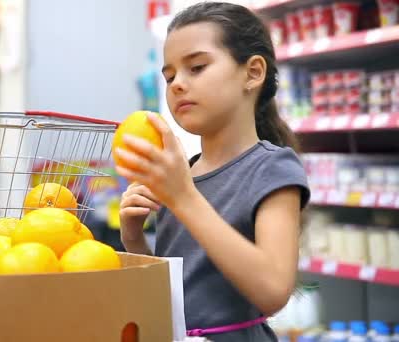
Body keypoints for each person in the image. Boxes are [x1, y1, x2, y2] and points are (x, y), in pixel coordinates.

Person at [113, 2, 310, 341]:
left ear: (253, 73)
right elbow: (173, 294)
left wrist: (183, 197)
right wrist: (134, 240)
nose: (176, 84)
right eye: (170, 76)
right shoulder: (182, 176)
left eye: (197, 67)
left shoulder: (272, 168)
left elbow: (274, 291)